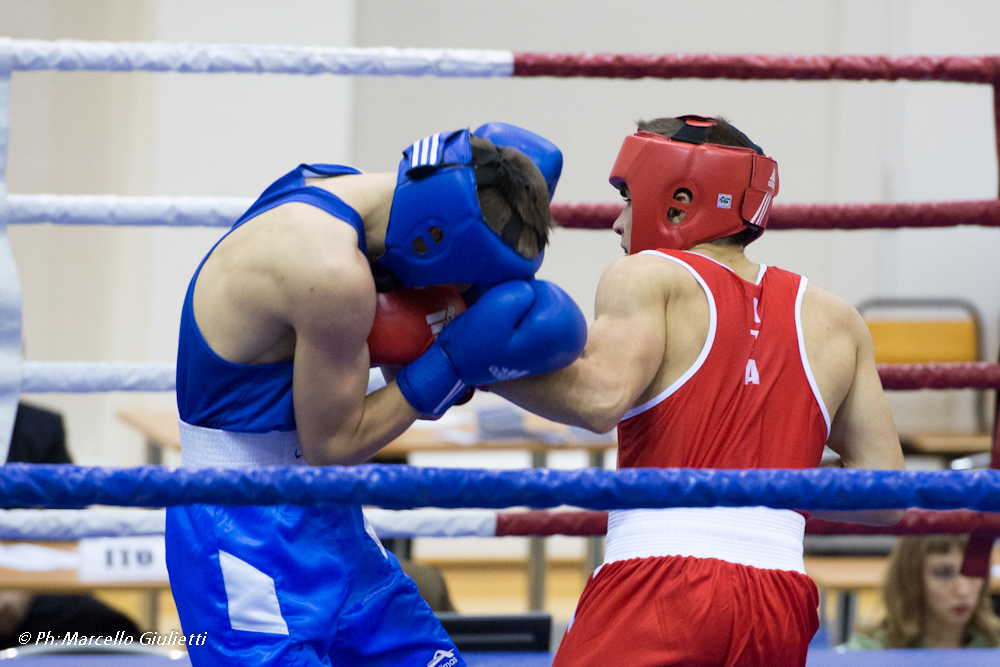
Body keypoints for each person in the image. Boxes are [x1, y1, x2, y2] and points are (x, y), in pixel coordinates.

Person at [165, 123, 587, 667]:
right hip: (242, 526)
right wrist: (452, 361)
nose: (458, 293)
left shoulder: (346, 191)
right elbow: (333, 445)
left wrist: (435, 329)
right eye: (461, 278)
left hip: (326, 513)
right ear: (435, 237)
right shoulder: (331, 272)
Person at [493, 115, 907, 667]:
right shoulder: (836, 318)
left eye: (626, 198)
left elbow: (597, 400)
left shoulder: (650, 276)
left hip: (659, 583)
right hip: (779, 599)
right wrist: (764, 477)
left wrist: (471, 362)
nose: (617, 223)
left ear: (679, 198)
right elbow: (886, 497)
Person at [0, 403, 141, 650]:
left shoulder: (40, 425)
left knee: (119, 634)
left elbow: (71, 520)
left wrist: (24, 586)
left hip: (33, 590)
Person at [846, 534, 1000, 649]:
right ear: (911, 577)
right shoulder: (869, 653)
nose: (963, 590)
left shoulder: (994, 645)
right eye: (944, 572)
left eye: (974, 571)